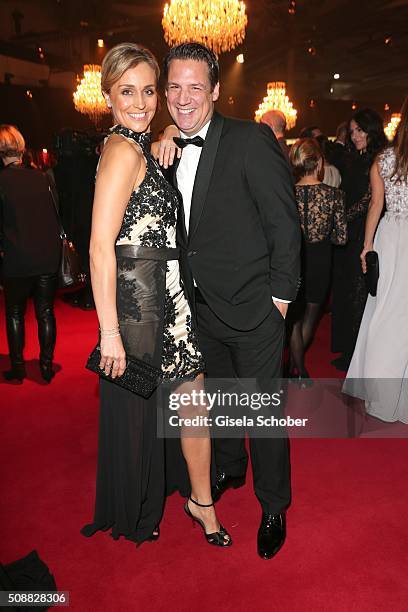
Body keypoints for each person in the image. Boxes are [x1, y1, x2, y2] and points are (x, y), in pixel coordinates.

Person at [81, 43, 231, 548]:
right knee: (148, 412)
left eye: (149, 90)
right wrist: (110, 334)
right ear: (108, 97)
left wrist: (166, 132)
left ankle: (201, 501)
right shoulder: (122, 149)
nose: (142, 102)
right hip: (138, 301)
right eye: (128, 91)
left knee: (193, 403)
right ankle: (151, 505)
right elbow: (100, 247)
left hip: (170, 297)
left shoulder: (142, 141)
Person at [161, 43, 301, 559]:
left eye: (196, 86)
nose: (184, 96)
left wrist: (280, 302)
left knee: (263, 416)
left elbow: (285, 225)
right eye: (174, 86)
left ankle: (274, 505)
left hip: (255, 309)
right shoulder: (166, 148)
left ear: (216, 91)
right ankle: (228, 469)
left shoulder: (250, 139)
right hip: (198, 308)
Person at [343, 97, 408, 423]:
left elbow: (375, 206)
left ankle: (383, 395)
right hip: (397, 238)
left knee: (384, 314)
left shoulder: (383, 159)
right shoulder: (384, 158)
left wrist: (367, 246)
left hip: (392, 235)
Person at [0, 125, 61, 383]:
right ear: (21, 148)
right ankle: (46, 368)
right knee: (45, 311)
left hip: (16, 256)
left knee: (15, 313)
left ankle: (18, 369)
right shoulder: (42, 177)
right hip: (47, 255)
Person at [331, 109, 387, 370]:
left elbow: (370, 201)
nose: (354, 136)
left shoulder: (378, 159)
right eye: (352, 131)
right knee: (344, 290)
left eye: (360, 131)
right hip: (348, 231)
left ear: (371, 130)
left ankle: (357, 354)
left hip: (366, 231)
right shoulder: (354, 158)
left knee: (360, 292)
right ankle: (348, 348)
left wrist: (343, 217)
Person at [287, 138, 346, 381]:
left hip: (293, 259)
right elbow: (341, 238)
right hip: (321, 259)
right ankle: (300, 368)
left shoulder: (287, 193)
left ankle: (295, 366)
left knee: (293, 319)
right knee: (311, 315)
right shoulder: (334, 196)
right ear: (319, 161)